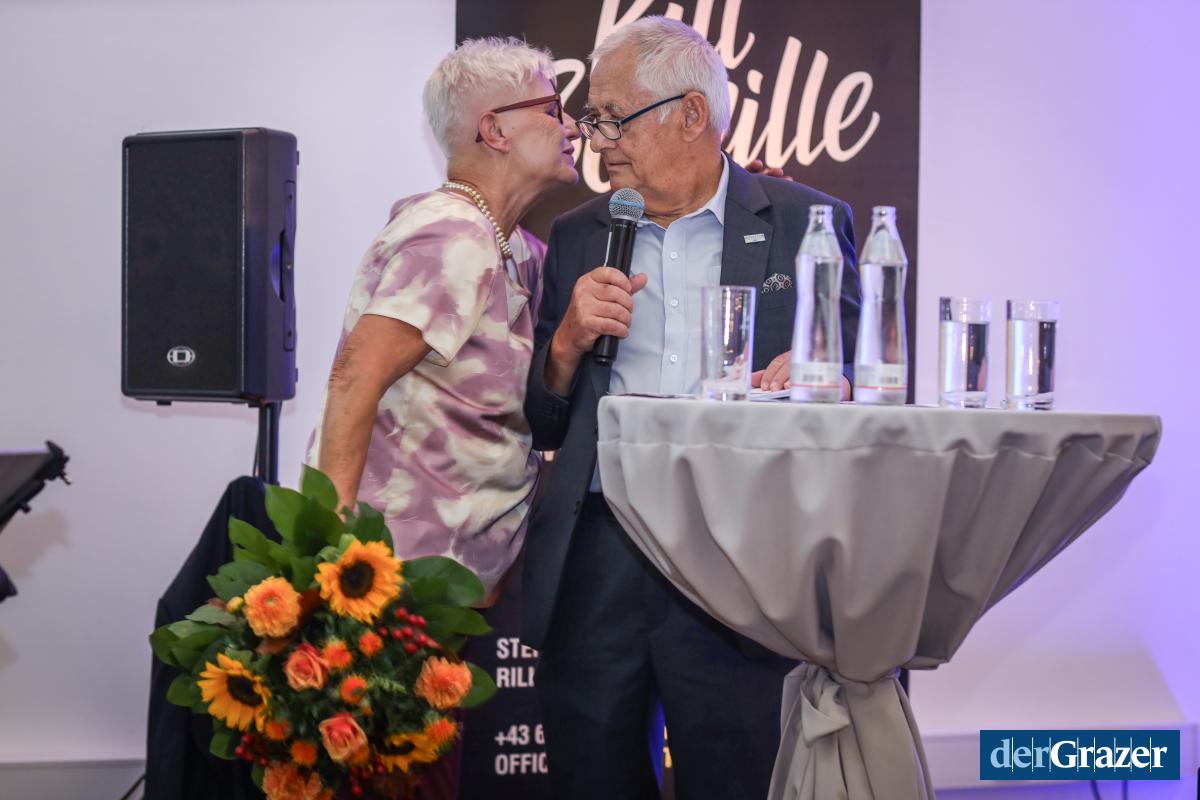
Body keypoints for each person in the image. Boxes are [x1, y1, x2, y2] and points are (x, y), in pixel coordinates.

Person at [521, 17, 861, 800]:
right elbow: (541, 421)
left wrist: (822, 380)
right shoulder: (576, 235)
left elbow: (860, 392)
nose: (597, 140)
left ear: (691, 115)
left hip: (742, 552)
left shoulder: (805, 222)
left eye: (614, 117)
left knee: (739, 773)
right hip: (601, 549)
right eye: (593, 119)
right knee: (592, 777)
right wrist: (566, 344)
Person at [306, 37, 578, 797]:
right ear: (495, 129)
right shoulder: (455, 233)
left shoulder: (513, 247)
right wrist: (336, 561)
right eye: (552, 107)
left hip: (445, 595)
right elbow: (356, 373)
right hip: (390, 588)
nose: (570, 125)